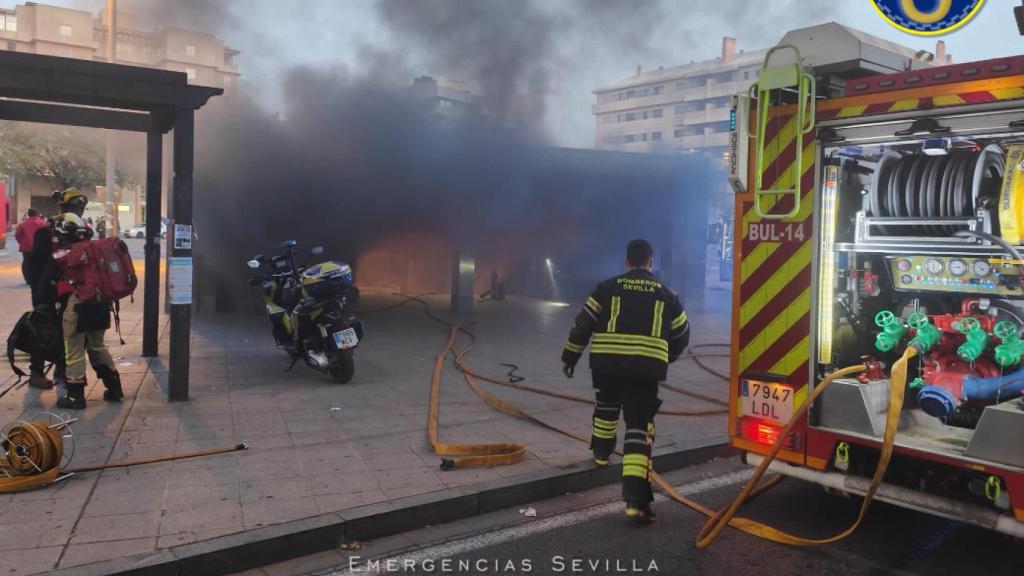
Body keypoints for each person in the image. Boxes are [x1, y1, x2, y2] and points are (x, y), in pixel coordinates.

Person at [560, 239, 689, 523]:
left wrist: (570, 357)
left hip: (606, 367)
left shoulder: (606, 289)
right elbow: (681, 336)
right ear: (650, 262)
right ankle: (635, 501)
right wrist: (666, 358)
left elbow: (583, 325)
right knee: (638, 429)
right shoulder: (668, 296)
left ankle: (601, 454)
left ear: (627, 262)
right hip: (644, 372)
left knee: (606, 407)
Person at [36, 188, 123, 409]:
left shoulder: (61, 255)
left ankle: (75, 397)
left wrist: (43, 306)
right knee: (97, 346)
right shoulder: (96, 250)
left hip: (77, 307)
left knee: (73, 349)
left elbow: (45, 287)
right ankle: (114, 387)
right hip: (100, 304)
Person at [15, 208, 47, 285]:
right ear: (37, 214)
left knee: (27, 264)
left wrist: (22, 243)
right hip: (40, 247)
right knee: (40, 263)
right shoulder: (43, 223)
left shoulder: (23, 224)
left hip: (27, 248)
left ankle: (28, 279)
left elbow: (17, 235)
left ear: (28, 215)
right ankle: (39, 278)